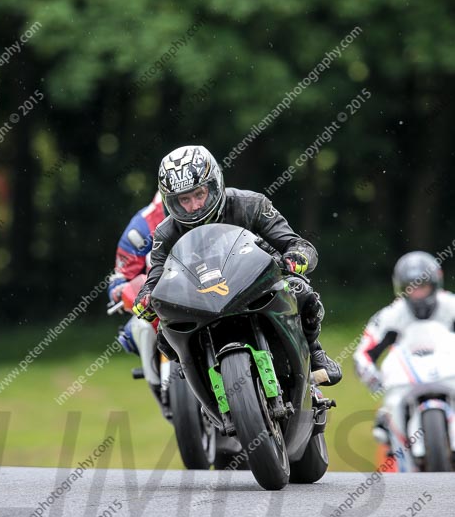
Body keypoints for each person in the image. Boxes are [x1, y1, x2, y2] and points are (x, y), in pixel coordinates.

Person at [132, 145, 342, 385]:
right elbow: (156, 276)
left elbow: (298, 244)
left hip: (259, 285)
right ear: (171, 201)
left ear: (214, 184)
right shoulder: (165, 232)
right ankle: (194, 374)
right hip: (202, 301)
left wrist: (296, 257)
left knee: (300, 291)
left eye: (199, 194)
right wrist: (146, 297)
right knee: (165, 336)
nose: (195, 206)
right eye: (184, 199)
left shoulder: (252, 204)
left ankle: (314, 352)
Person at [353, 250, 455, 442]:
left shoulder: (451, 305)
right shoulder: (390, 315)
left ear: (434, 284)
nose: (417, 294)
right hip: (407, 380)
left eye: (422, 286)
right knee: (382, 425)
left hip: (449, 372)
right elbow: (363, 353)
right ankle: (392, 433)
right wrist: (374, 379)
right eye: (411, 288)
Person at [108, 191, 166, 400]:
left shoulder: (219, 207)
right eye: (182, 198)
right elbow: (120, 278)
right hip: (161, 308)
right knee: (138, 328)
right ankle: (158, 387)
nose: (190, 204)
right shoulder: (141, 227)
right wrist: (123, 291)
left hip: (214, 293)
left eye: (196, 195)